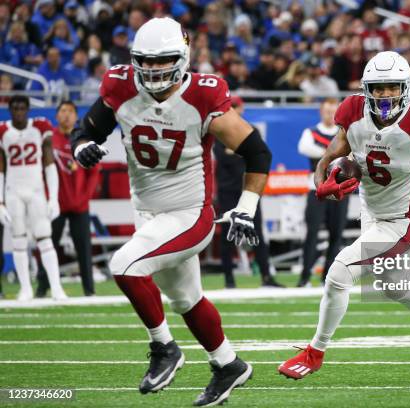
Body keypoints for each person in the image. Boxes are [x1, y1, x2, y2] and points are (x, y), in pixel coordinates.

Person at [71, 18, 270, 406]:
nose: (153, 69)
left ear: (182, 58)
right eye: (145, 61)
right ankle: (228, 364)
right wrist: (82, 149)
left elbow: (256, 151)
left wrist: (246, 208)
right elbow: (87, 131)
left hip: (190, 214)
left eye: (163, 61)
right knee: (186, 301)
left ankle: (165, 348)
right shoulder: (120, 85)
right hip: (148, 213)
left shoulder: (203, 95)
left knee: (125, 265)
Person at [278, 51, 410, 379]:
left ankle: (315, 351)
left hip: (402, 223)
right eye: (378, 87)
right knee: (393, 283)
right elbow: (329, 156)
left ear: (406, 88)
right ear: (366, 89)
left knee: (340, 272)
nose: (385, 94)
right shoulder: (353, 111)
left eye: (392, 87)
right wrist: (323, 182)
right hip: (371, 214)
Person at [0, 95, 66, 301]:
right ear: (10, 110)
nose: (19, 112)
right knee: (18, 240)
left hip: (36, 190)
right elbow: (0, 168)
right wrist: (0, 201)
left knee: (44, 237)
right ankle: (25, 288)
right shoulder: (3, 130)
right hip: (13, 191)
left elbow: (49, 163)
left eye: (22, 109)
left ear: (27, 110)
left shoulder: (39, 126)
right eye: (15, 109)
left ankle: (56, 287)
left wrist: (53, 197)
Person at [214, 95, 283, 289]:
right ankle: (229, 279)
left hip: (249, 190)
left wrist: (235, 152)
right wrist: (244, 153)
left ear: (242, 109)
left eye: (237, 106)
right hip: (228, 190)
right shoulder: (219, 129)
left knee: (257, 233)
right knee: (227, 235)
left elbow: (258, 156)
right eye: (232, 106)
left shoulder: (251, 130)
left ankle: (266, 278)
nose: (235, 110)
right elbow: (224, 157)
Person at [36, 101, 99, 298]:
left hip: (79, 205)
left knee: (84, 248)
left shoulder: (83, 139)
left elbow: (94, 172)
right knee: (48, 245)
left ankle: (89, 291)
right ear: (56, 116)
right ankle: (41, 289)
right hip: (55, 205)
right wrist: (48, 198)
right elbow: (41, 171)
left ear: (76, 116)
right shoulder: (49, 139)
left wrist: (85, 198)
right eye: (62, 111)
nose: (66, 115)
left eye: (70, 111)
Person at [296, 98, 348, 287]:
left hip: (339, 190)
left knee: (336, 234)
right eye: (327, 111)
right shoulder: (311, 132)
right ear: (321, 112)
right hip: (317, 188)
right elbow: (303, 147)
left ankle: (327, 277)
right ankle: (304, 277)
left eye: (333, 111)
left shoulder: (344, 134)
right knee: (312, 233)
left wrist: (327, 154)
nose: (329, 115)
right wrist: (332, 153)